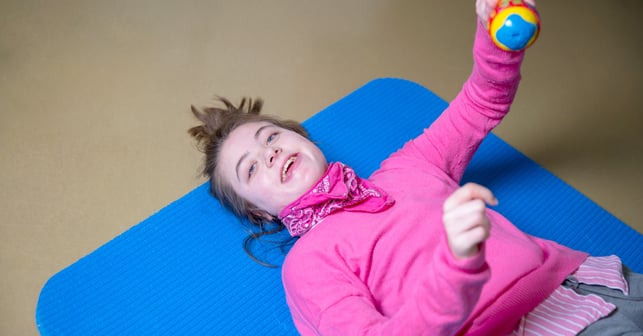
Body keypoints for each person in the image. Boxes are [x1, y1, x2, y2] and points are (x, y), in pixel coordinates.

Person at [188, 1, 643, 334]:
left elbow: (481, 103)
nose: (268, 152)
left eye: (271, 136)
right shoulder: (308, 264)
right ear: (260, 214)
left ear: (303, 139)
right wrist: (456, 267)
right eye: (250, 169)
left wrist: (495, 39)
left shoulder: (410, 166)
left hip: (590, 281)